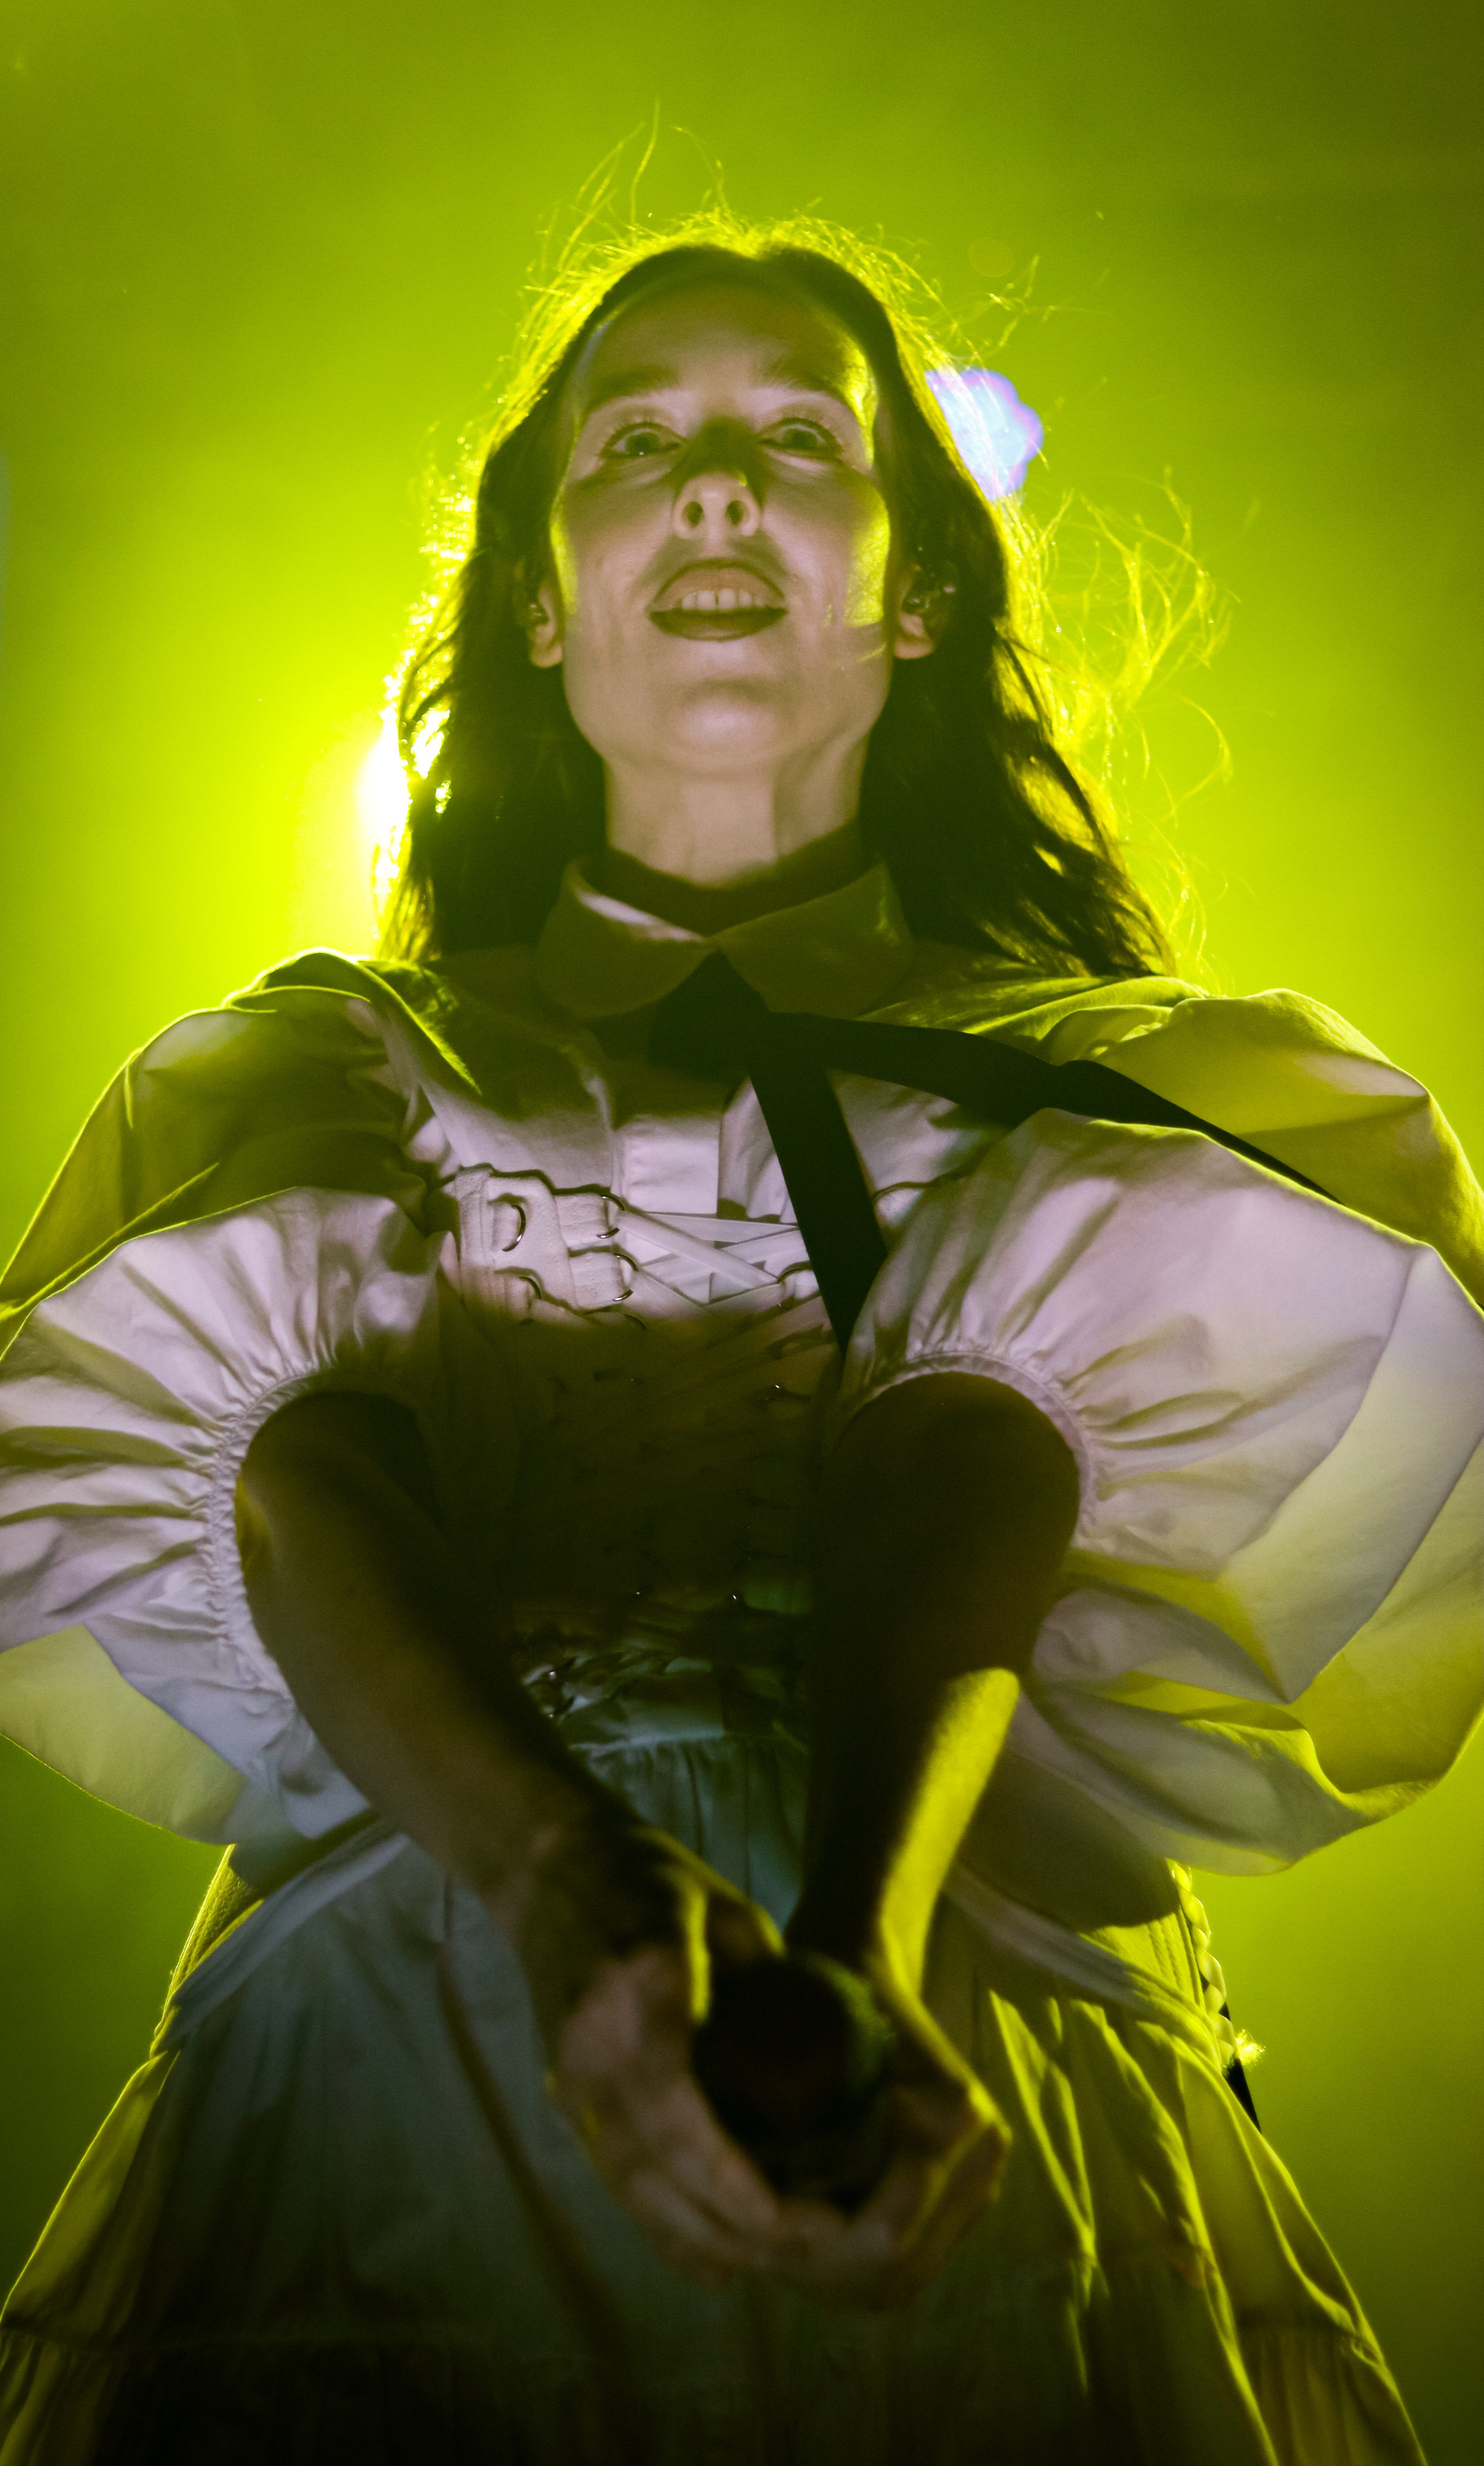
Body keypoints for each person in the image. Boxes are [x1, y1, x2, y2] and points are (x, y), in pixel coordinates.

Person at [0, 217, 1480, 2465]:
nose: (712, 481)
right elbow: (296, 1473)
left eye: (800, 436)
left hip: (973, 2046)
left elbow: (969, 1443)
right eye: (636, 440)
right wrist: (564, 1886)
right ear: (537, 598)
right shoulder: (336, 1053)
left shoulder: (1125, 1081)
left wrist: (859, 1952)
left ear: (918, 590)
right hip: (397, 2073)